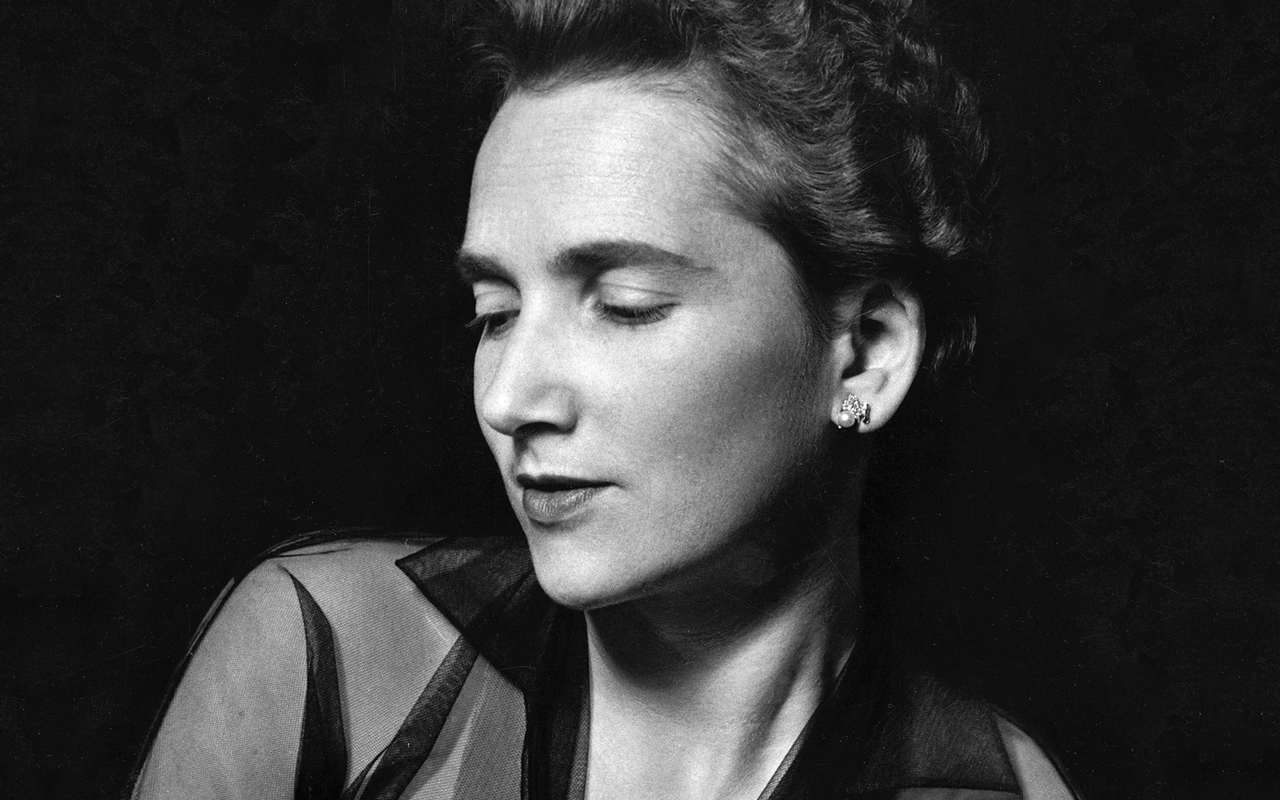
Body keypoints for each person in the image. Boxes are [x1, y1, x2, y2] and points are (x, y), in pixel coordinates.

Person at [130, 1, 1079, 798]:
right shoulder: (325, 662)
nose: (510, 399)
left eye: (625, 306)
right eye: (494, 313)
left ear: (866, 354)